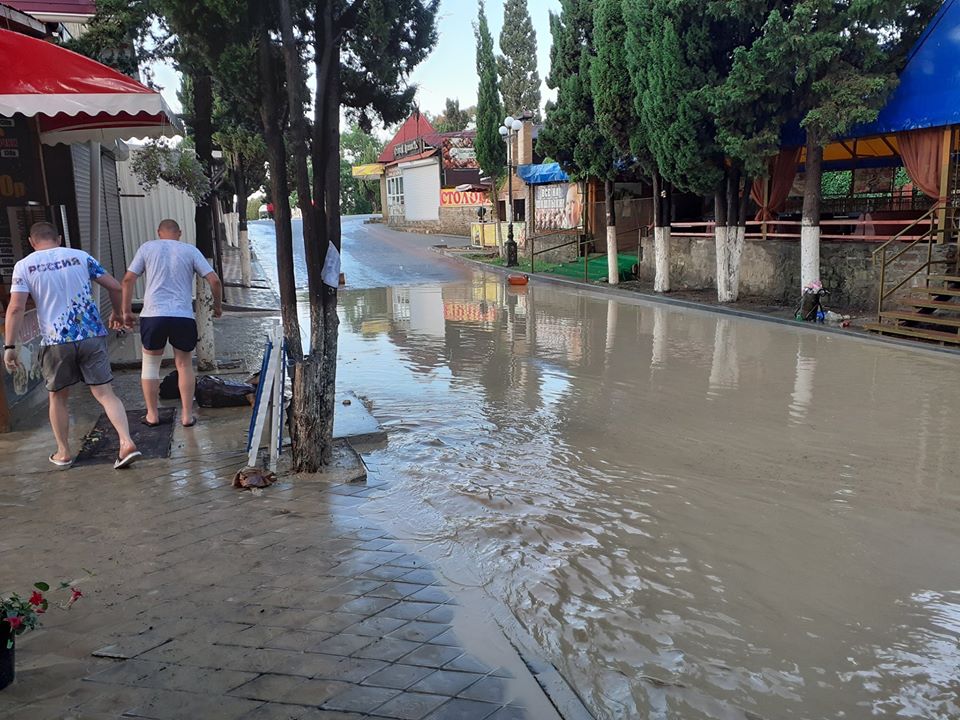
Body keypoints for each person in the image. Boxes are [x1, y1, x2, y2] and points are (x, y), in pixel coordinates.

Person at [3, 221, 141, 469]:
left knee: (57, 398)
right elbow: (115, 286)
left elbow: (15, 308)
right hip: (91, 335)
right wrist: (119, 315)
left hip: (56, 341)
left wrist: (10, 345)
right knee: (105, 394)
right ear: (58, 238)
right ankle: (126, 441)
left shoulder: (24, 266)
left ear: (32, 242)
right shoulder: (80, 257)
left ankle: (63, 452)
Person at [121, 219, 222, 429]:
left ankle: (152, 415)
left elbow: (128, 280)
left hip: (153, 315)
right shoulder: (190, 251)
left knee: (150, 367)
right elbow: (214, 281)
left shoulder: (147, 248)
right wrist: (218, 307)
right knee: (184, 365)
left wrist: (126, 311)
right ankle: (186, 416)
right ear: (180, 233)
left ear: (159, 232)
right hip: (182, 316)